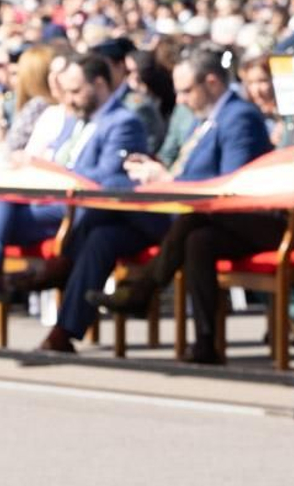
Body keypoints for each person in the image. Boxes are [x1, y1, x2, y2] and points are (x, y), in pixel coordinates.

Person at [80, 46, 278, 362]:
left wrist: (168, 181)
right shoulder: (205, 118)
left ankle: (142, 290)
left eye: (187, 91)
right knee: (198, 239)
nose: (181, 100)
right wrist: (156, 171)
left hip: (252, 219)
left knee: (188, 219)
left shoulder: (238, 117)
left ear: (211, 82)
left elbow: (230, 183)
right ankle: (205, 342)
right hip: (210, 219)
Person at [13, 54, 152, 351]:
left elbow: (108, 178)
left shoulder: (123, 122)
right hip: (89, 218)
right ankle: (63, 328)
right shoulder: (75, 121)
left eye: (76, 91)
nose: (69, 99)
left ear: (99, 84)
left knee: (96, 223)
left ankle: (60, 271)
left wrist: (55, 175)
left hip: (124, 215)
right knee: (98, 239)